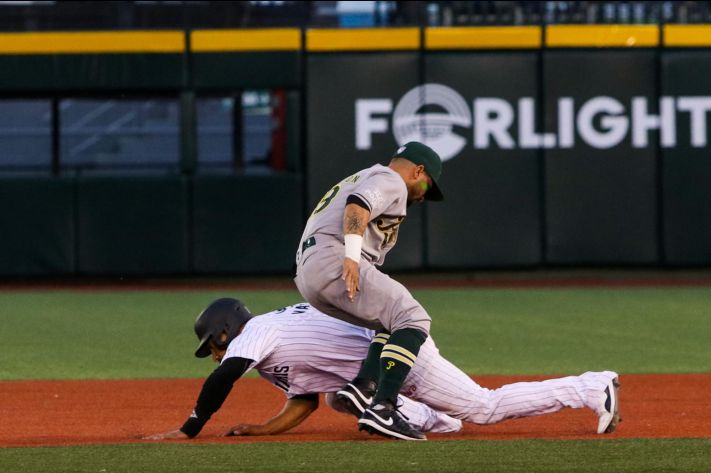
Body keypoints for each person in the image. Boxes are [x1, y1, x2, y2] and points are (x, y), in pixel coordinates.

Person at [144, 298, 621, 442]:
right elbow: (306, 399)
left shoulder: (256, 332)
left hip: (398, 355)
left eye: (213, 342)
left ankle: (589, 385)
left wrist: (190, 429)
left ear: (227, 330)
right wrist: (262, 429)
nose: (214, 352)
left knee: (486, 407)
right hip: (375, 363)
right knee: (336, 395)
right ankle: (431, 419)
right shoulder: (271, 346)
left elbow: (223, 377)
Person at [293, 141, 446, 440]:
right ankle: (384, 408)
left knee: (390, 321)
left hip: (308, 273)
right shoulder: (391, 180)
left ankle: (364, 386)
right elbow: (358, 205)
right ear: (418, 170)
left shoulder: (366, 175)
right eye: (429, 185)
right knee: (413, 318)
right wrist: (350, 256)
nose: (426, 195)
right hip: (334, 258)